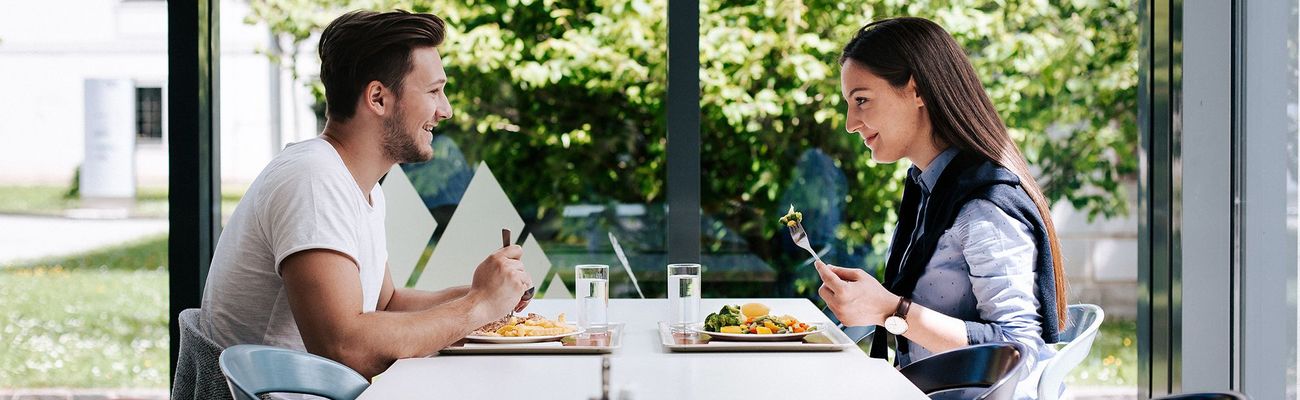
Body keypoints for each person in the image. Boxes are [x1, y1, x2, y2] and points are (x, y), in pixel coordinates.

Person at [199, 10, 533, 379]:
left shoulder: (359, 185)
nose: (446, 110)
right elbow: (345, 348)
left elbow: (386, 304)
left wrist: (486, 295)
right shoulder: (313, 179)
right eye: (434, 91)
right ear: (377, 98)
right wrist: (477, 306)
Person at [814, 17, 1067, 400]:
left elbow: (1020, 351)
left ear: (916, 90)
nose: (851, 123)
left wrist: (891, 311)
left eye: (861, 100)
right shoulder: (928, 187)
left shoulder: (981, 206)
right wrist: (873, 306)